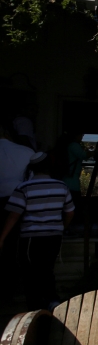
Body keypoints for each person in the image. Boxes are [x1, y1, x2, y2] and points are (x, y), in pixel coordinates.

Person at [0, 152, 75, 311]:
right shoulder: (61, 186)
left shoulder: (24, 187)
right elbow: (70, 212)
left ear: (32, 168)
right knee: (47, 267)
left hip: (31, 237)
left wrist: (2, 237)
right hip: (54, 236)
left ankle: (35, 305)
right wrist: (63, 227)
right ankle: (51, 300)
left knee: (30, 271)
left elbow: (14, 215)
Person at [0, 125, 34, 303]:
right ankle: (11, 288)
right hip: (17, 200)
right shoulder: (25, 152)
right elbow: (32, 180)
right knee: (14, 245)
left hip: (12, 201)